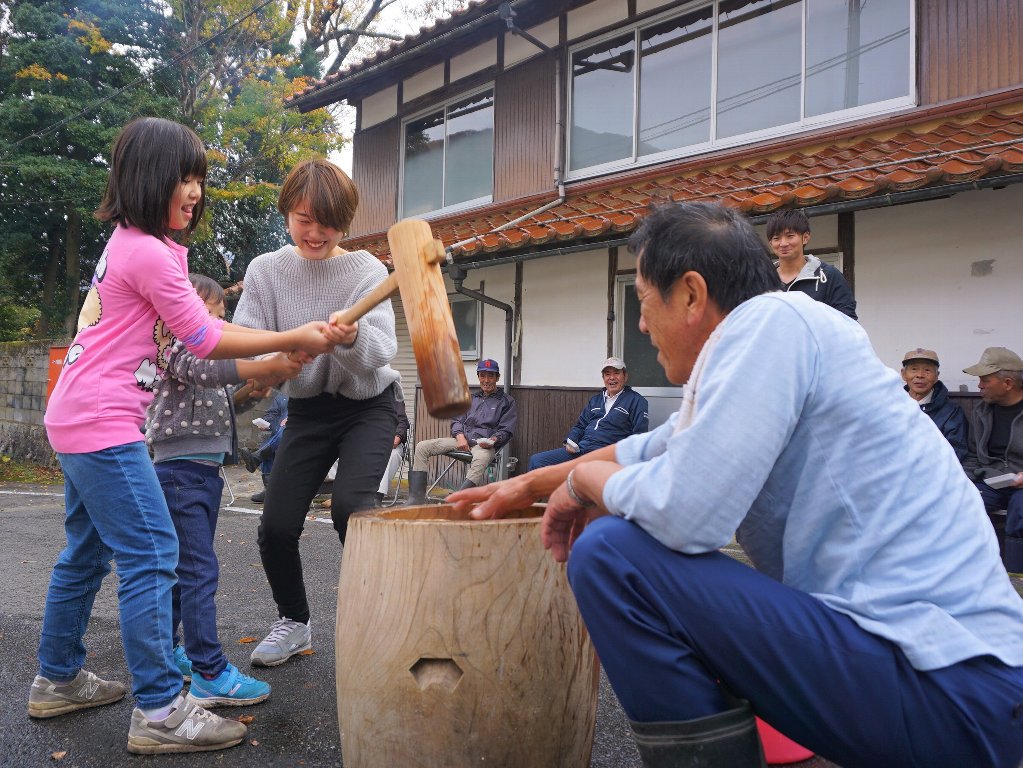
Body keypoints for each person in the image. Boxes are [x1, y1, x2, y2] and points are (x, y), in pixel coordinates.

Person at [452, 202, 1023, 768]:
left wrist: (582, 481)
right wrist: (523, 486)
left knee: (613, 555)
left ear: (693, 294)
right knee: (622, 528)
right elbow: (642, 449)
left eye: (645, 304)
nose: (644, 325)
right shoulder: (763, 349)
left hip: (955, 685)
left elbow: (685, 515)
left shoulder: (772, 323)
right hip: (930, 679)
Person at [33, 117, 342, 754]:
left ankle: (57, 678)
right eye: (184, 177)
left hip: (77, 415)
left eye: (199, 178)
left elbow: (194, 345)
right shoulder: (145, 250)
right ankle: (161, 712)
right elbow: (202, 337)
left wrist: (272, 358)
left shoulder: (140, 244)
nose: (195, 190)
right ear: (148, 179)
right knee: (153, 554)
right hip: (101, 423)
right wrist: (293, 337)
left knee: (86, 555)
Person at [232, 157, 400, 668]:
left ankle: (384, 617)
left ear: (344, 221)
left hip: (369, 405)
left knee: (353, 507)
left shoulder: (368, 270)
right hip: (305, 410)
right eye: (304, 218)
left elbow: (383, 353)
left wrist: (349, 340)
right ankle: (295, 623)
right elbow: (245, 342)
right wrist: (278, 360)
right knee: (277, 524)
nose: (315, 231)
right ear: (287, 214)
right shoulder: (266, 271)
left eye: (327, 221)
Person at [145, 275, 298, 708]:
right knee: (197, 571)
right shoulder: (174, 345)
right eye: (213, 316)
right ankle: (209, 671)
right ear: (184, 312)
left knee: (184, 569)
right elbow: (209, 366)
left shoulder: (197, 357)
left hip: (201, 474)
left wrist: (253, 389)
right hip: (180, 472)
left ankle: (176, 651)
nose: (219, 327)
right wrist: (265, 364)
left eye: (221, 318)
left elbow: (222, 400)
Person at [407, 358, 517, 503]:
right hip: (462, 441)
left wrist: (493, 440)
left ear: (497, 378)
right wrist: (460, 437)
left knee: (481, 459)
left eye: (491, 376)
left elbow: (506, 430)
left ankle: (455, 501)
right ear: (478, 377)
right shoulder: (470, 398)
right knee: (422, 447)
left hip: (484, 446)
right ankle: (416, 499)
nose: (486, 380)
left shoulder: (507, 401)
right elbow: (456, 420)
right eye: (482, 375)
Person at [527, 357, 648, 471]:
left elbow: (639, 436)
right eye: (607, 374)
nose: (612, 377)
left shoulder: (636, 401)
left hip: (606, 454)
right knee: (537, 461)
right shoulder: (595, 400)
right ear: (603, 378)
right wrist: (570, 441)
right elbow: (580, 425)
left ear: (625, 376)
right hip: (581, 450)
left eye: (616, 373)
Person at [962, 347, 1023, 572]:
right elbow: (971, 456)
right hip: (991, 481)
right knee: (963, 507)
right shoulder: (981, 411)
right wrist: (962, 482)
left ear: (1007, 383)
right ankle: (970, 578)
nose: (979, 385)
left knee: (1021, 512)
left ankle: (1016, 580)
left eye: (985, 380)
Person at [766, 208, 857, 319]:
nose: (783, 243)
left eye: (790, 236)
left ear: (805, 238)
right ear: (770, 243)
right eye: (776, 238)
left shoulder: (829, 276)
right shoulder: (761, 281)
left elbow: (848, 321)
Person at [900, 347, 967, 460]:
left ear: (936, 376)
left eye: (927, 370)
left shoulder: (952, 412)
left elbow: (955, 451)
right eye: (914, 369)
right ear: (903, 374)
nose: (920, 375)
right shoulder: (891, 408)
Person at [240, 390, 288, 503]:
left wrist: (295, 417)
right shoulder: (283, 394)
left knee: (287, 429)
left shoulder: (310, 389)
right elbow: (272, 413)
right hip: (281, 435)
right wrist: (266, 422)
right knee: (269, 443)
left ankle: (257, 457)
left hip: (302, 432)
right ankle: (269, 490)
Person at [376, 382, 411, 504]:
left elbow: (402, 421)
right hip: (366, 443)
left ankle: (376, 496)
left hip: (390, 442)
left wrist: (396, 437)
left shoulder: (394, 395)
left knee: (393, 455)